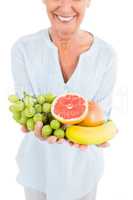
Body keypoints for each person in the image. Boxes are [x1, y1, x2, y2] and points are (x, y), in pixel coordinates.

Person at [11, 0, 117, 199]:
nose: (65, 6)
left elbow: (102, 115)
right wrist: (35, 123)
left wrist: (103, 132)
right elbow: (26, 106)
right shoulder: (23, 49)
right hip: (37, 170)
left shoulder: (106, 55)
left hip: (84, 174)